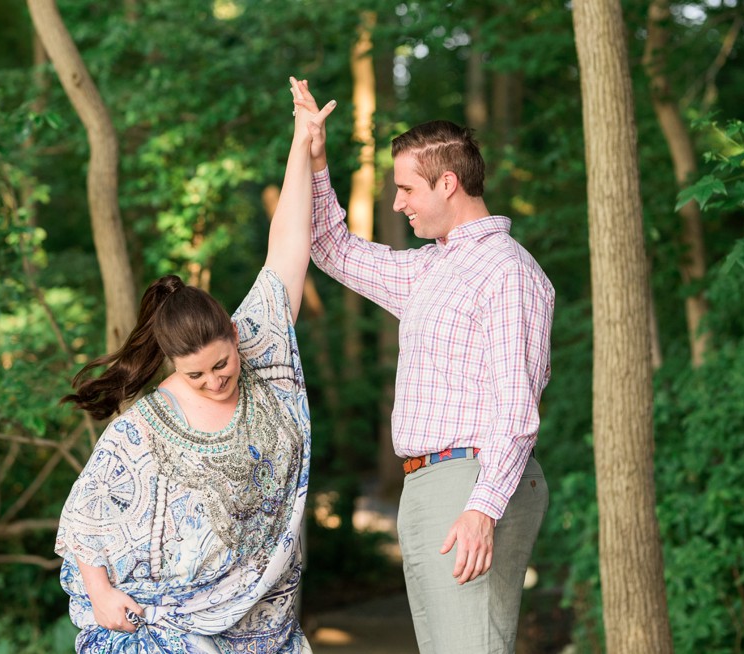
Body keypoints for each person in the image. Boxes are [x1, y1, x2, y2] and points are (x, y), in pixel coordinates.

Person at [54, 79, 336, 654]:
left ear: (237, 336)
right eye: (195, 375)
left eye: (221, 364)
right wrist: (101, 594)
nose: (215, 381)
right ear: (171, 368)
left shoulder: (262, 349)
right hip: (172, 625)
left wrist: (300, 143)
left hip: (265, 624)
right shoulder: (144, 428)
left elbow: (287, 242)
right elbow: (86, 516)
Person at [292, 79, 554, 653]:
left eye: (407, 188)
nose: (397, 202)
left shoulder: (506, 272)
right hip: (431, 483)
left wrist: (482, 509)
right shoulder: (432, 271)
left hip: (471, 482)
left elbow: (516, 407)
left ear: (449, 182)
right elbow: (332, 248)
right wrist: (313, 157)